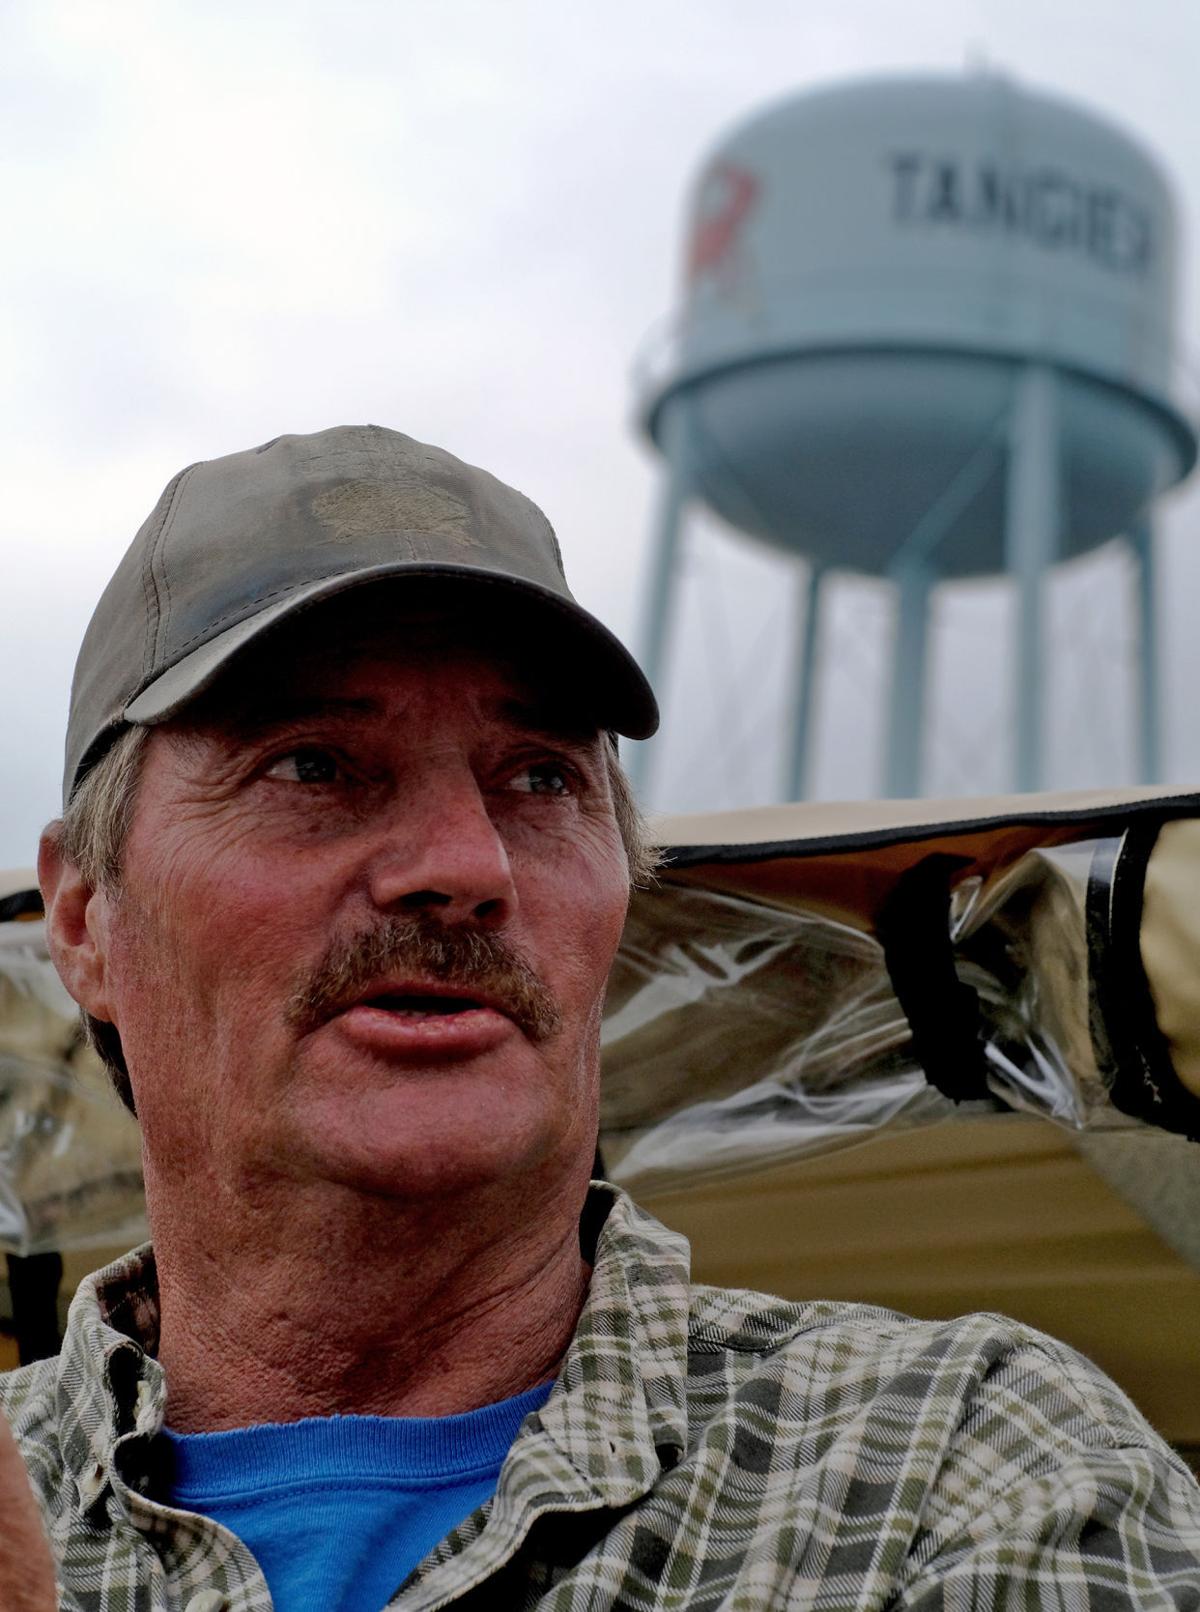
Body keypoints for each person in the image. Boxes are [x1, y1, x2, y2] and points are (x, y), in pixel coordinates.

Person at [1, 424, 1198, 1612]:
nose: (465, 865)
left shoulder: (956, 1465)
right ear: (84, 919)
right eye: (314, 765)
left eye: (540, 777)